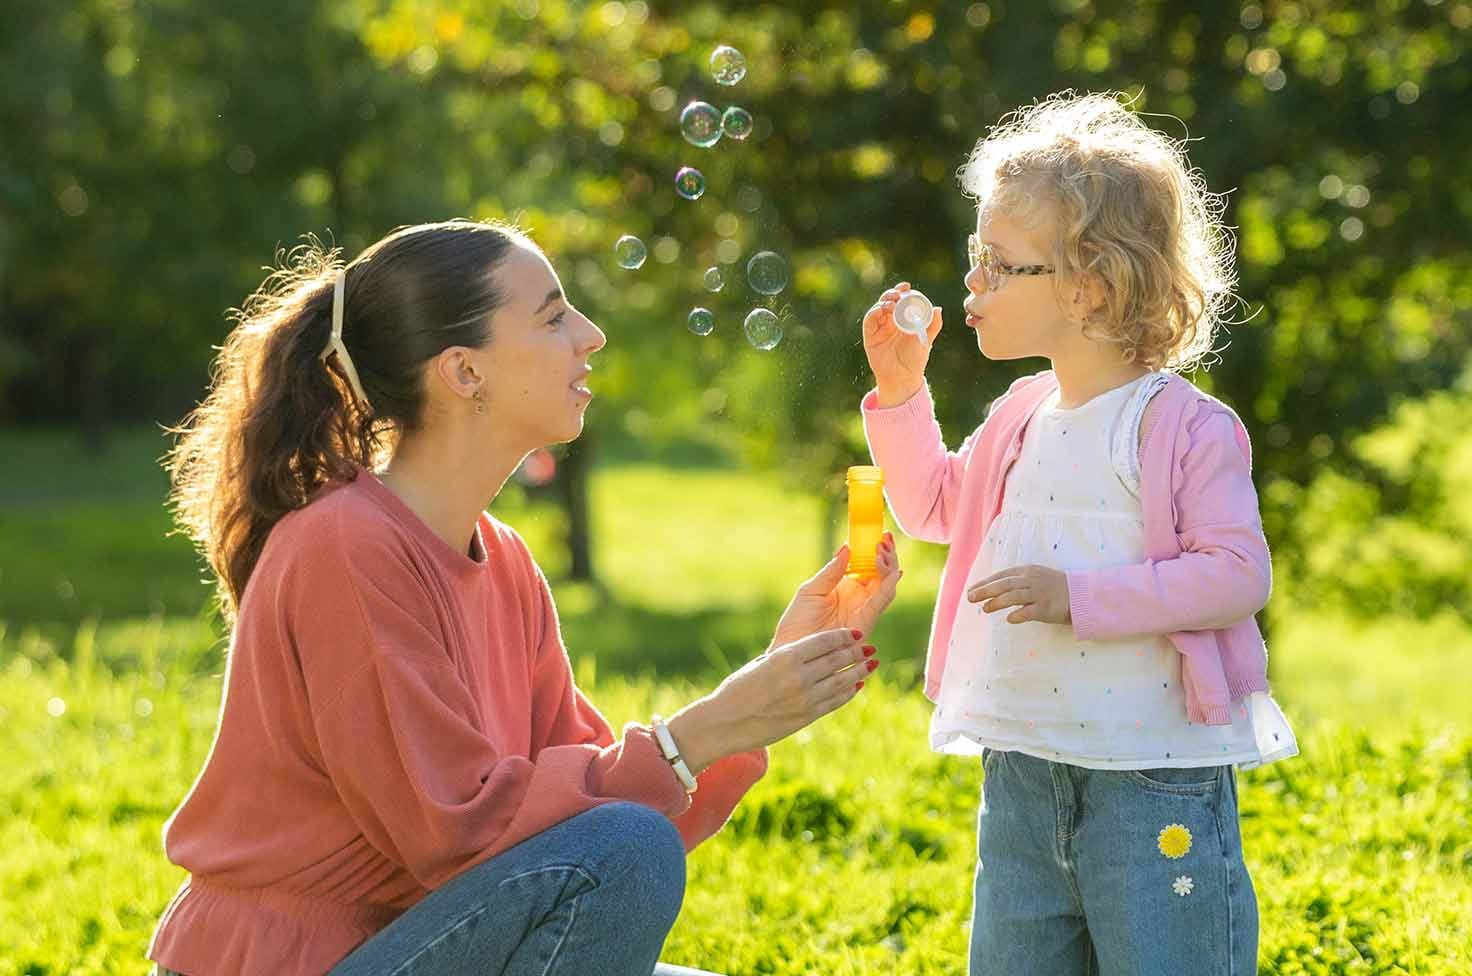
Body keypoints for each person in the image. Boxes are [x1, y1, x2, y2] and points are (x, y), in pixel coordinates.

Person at [145, 219, 901, 975]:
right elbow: (462, 831)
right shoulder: (345, 546)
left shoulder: (503, 560)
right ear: (464, 372)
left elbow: (588, 800)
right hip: (297, 965)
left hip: (412, 945)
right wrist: (701, 732)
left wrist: (770, 685)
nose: (592, 335)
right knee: (624, 851)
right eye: (552, 317)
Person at [859, 92, 1298, 974]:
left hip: (1152, 770)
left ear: (1090, 284)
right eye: (975, 258)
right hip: (1022, 766)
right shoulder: (1020, 414)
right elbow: (938, 508)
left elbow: (1236, 574)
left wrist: (1079, 598)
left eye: (998, 265)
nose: (971, 285)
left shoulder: (1182, 426)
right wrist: (903, 395)